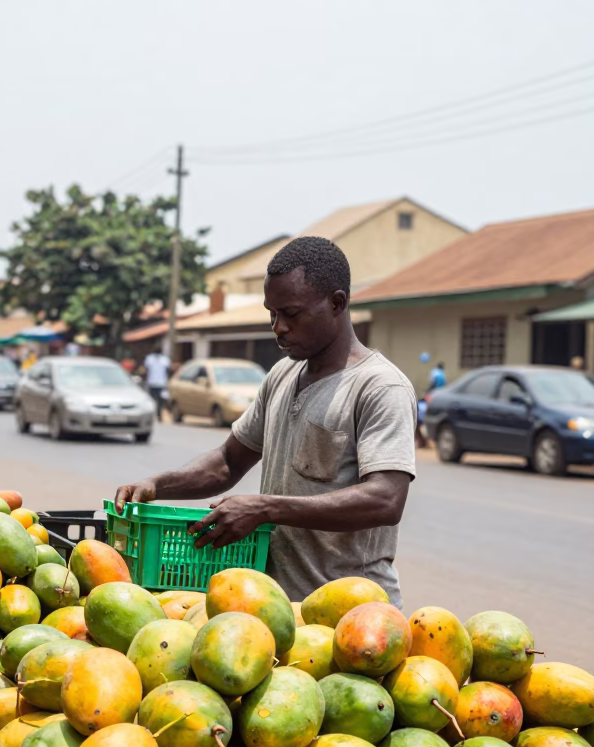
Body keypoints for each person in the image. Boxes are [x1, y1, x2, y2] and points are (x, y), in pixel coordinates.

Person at [114, 237, 416, 606]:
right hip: (277, 606)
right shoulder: (282, 375)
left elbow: (385, 499)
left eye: (291, 314)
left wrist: (265, 508)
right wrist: (156, 484)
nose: (278, 327)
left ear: (337, 303)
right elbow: (227, 462)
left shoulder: (379, 387)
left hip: (352, 613)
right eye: (272, 314)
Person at [141, 348, 172, 419]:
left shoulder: (165, 359)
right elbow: (146, 370)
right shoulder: (149, 358)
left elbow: (168, 371)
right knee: (152, 400)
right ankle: (152, 414)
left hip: (162, 383)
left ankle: (159, 414)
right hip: (152, 383)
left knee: (161, 400)